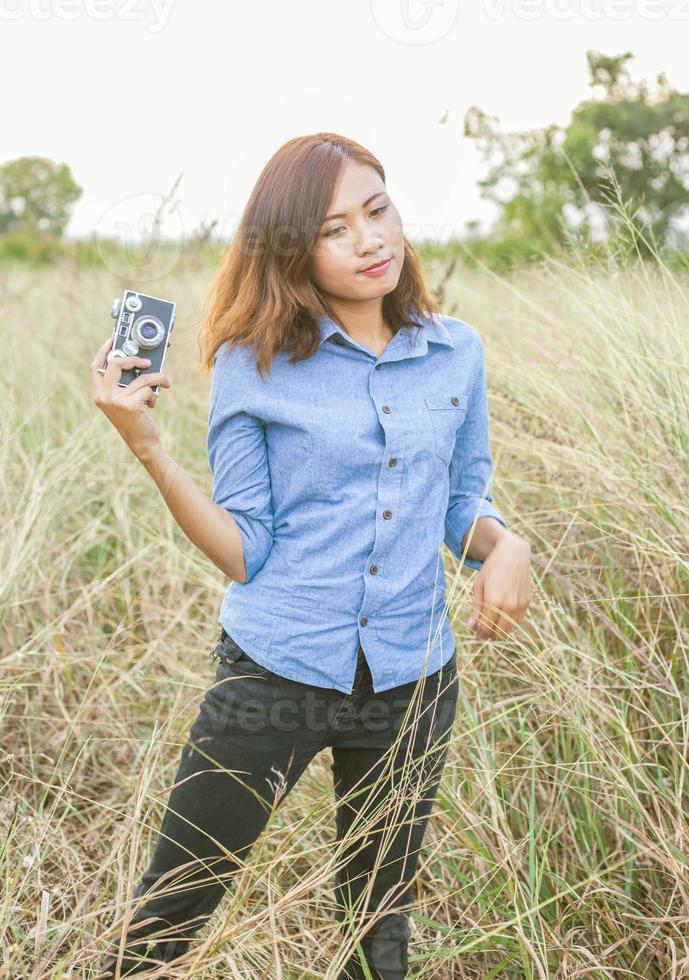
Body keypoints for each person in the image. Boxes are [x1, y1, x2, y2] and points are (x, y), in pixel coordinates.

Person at [91, 132, 532, 978]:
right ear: (293, 249)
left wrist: (506, 542)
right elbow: (244, 551)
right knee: (169, 913)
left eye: (377, 210)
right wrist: (145, 443)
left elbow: (457, 504)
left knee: (380, 928)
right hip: (276, 672)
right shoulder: (250, 364)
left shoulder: (455, 350)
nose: (371, 240)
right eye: (335, 229)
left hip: (414, 677)